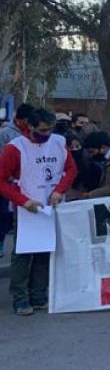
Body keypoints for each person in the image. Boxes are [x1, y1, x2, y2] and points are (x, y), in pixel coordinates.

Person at [0, 108, 78, 315]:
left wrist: (59, 190)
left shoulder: (59, 142)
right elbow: (2, 181)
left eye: (51, 129)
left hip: (51, 207)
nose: (47, 134)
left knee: (45, 252)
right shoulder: (15, 147)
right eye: (43, 130)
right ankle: (20, 299)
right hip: (26, 209)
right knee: (23, 255)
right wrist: (23, 201)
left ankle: (38, 295)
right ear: (30, 126)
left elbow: (71, 169)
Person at [0, 103, 34, 257]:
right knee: (4, 213)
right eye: (27, 121)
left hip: (25, 182)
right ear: (20, 119)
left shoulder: (31, 132)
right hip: (8, 180)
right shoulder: (6, 134)